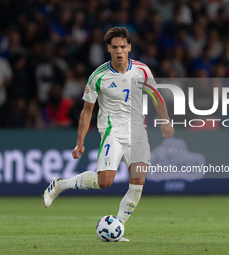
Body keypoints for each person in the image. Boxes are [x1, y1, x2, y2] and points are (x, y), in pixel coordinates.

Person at [43, 27, 174, 241]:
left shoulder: (142, 70)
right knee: (105, 182)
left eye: (123, 46)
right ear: (108, 49)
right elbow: (87, 111)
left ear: (130, 47)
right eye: (115, 47)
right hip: (113, 131)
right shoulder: (98, 76)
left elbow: (156, 96)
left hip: (138, 133)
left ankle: (118, 228)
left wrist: (165, 119)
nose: (119, 51)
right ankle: (60, 184)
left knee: (138, 182)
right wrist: (80, 142)